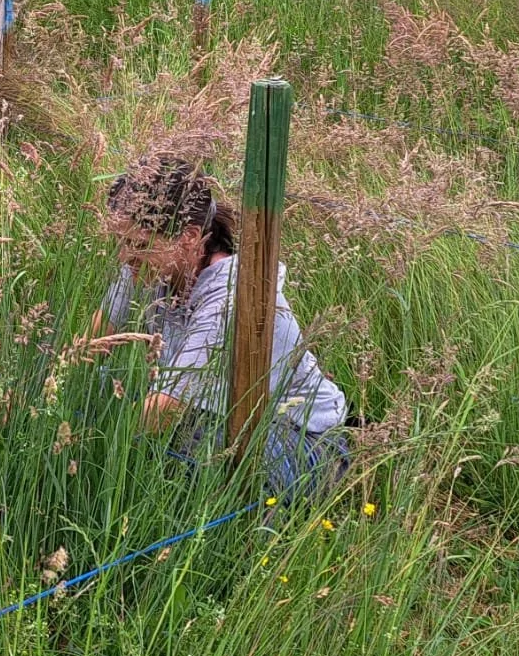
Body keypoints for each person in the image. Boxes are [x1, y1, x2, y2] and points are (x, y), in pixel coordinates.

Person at [96, 154, 349, 496]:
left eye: (139, 244)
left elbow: (163, 412)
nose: (125, 257)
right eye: (121, 242)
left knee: (190, 443)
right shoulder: (146, 265)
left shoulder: (233, 294)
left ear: (188, 237)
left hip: (305, 441)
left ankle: (248, 536)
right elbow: (89, 346)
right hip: (227, 419)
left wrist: (79, 445)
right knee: (98, 386)